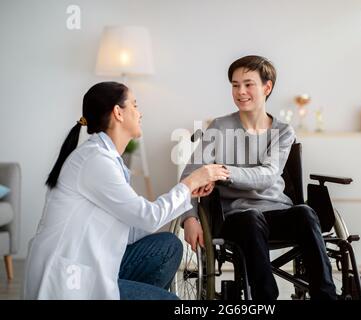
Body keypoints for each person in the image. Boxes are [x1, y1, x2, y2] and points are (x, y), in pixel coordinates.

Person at [23, 82, 229, 300]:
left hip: (89, 267)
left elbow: (132, 229)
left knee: (168, 246)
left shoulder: (106, 159)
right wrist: (189, 183)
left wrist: (186, 195)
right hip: (69, 282)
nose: (140, 113)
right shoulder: (96, 161)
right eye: (135, 105)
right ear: (118, 112)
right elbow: (147, 217)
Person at [180, 55, 337, 300]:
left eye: (248, 84)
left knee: (305, 213)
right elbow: (190, 177)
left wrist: (222, 171)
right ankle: (265, 300)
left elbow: (267, 175)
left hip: (277, 212)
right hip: (236, 217)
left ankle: (326, 296)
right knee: (251, 218)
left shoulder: (283, 131)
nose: (240, 91)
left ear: (267, 86)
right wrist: (190, 218)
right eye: (235, 85)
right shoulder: (218, 128)